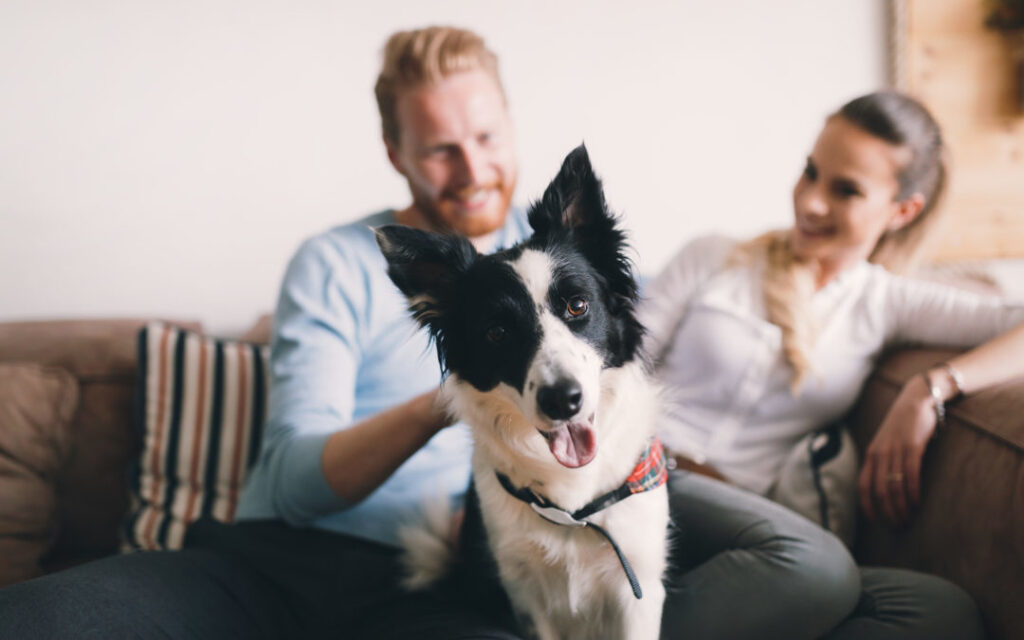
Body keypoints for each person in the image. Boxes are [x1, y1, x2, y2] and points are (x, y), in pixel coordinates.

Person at [0, 30, 942, 640]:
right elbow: (291, 482)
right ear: (396, 153)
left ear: (511, 128)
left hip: (470, 583)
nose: (471, 166)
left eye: (487, 136)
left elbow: (642, 359)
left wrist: (902, 366)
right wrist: (457, 401)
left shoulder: (564, 261)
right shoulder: (343, 263)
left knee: (921, 609)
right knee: (44, 621)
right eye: (441, 147)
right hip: (286, 570)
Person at [642, 90, 1024, 639]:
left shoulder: (885, 303)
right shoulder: (713, 257)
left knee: (940, 612)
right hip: (646, 480)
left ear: (902, 211)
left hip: (748, 538)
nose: (811, 202)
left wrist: (931, 387)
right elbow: (612, 371)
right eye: (810, 172)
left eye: (845, 190)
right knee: (818, 570)